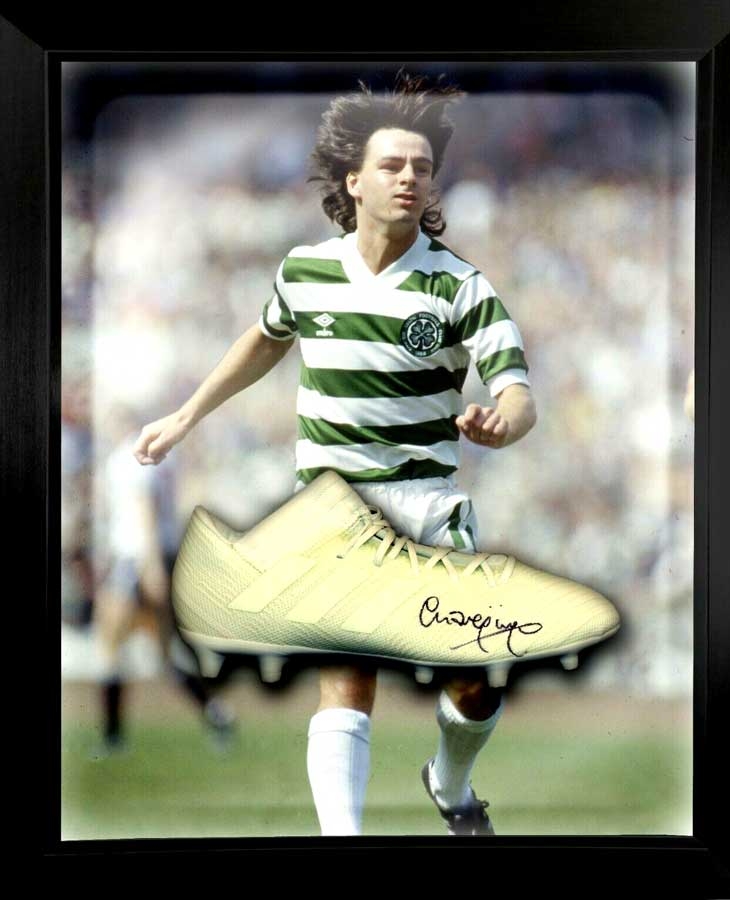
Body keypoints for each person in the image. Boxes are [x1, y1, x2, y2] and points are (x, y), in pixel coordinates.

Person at [133, 72, 537, 835]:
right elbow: (265, 338)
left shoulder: (460, 287)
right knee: (347, 684)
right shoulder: (305, 271)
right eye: (392, 165)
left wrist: (500, 424)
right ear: (354, 181)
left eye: (421, 167)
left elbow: (518, 394)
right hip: (334, 509)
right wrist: (187, 414)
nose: (409, 177)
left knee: (476, 681)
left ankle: (449, 783)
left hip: (427, 506)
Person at [96, 407, 235, 753]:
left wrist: (151, 564)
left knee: (112, 647)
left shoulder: (129, 456)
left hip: (137, 560)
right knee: (163, 653)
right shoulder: (160, 459)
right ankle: (215, 714)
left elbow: (144, 509)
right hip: (152, 557)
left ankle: (113, 737)